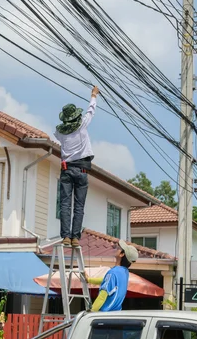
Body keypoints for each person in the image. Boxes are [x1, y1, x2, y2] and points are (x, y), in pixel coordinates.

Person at [55, 86, 99, 248]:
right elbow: (90, 111)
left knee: (65, 204)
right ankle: (75, 237)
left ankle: (66, 236)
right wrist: (93, 95)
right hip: (81, 170)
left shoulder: (59, 133)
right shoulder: (82, 125)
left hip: (66, 170)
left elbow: (58, 133)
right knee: (79, 206)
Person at [87, 240, 138, 312]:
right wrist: (89, 280)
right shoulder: (125, 273)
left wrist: (91, 311)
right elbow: (106, 281)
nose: (117, 249)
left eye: (119, 248)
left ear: (122, 254)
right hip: (115, 314)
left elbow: (103, 295)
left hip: (105, 315)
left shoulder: (113, 273)